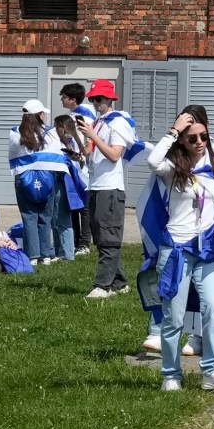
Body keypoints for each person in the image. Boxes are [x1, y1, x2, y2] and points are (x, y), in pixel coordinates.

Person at [148, 112, 214, 391]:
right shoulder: (172, 169)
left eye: (204, 137)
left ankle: (212, 370)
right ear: (182, 141)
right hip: (176, 250)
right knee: (174, 316)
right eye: (192, 138)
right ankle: (171, 374)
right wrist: (174, 130)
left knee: (213, 308)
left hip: (208, 249)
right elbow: (152, 160)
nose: (200, 142)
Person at [81, 80, 135, 299]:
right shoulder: (99, 122)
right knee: (101, 237)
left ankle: (103, 286)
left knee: (109, 237)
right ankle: (120, 283)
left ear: (110, 99)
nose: (95, 103)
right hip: (96, 185)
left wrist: (93, 136)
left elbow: (114, 155)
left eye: (99, 99)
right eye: (93, 99)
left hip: (110, 188)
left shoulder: (117, 122)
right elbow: (93, 154)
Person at [9, 100, 73, 264]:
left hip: (24, 177)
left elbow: (14, 156)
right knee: (45, 216)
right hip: (47, 177)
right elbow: (57, 156)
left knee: (29, 216)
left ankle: (32, 255)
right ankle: (45, 255)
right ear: (39, 114)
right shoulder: (51, 133)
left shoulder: (16, 132)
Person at [61, 81, 96, 254]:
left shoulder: (84, 117)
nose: (61, 99)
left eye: (64, 97)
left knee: (84, 207)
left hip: (82, 166)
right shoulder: (74, 115)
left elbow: (89, 140)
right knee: (73, 203)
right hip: (72, 164)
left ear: (73, 100)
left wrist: (82, 155)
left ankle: (83, 243)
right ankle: (75, 241)